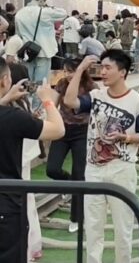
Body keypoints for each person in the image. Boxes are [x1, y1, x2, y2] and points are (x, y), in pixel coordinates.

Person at [63, 51, 139, 263]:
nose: (102, 72)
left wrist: (125, 137)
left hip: (122, 170)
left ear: (122, 72)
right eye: (101, 67)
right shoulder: (96, 96)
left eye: (108, 68)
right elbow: (69, 100)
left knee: (123, 227)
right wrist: (80, 69)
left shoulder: (138, 103)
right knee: (93, 226)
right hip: (94, 169)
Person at [0, 57, 65, 263]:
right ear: (5, 80)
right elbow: (58, 130)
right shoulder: (13, 117)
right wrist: (47, 99)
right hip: (6, 204)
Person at [47, 59, 94, 233]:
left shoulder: (91, 87)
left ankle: (76, 218)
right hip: (62, 130)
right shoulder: (62, 83)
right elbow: (53, 103)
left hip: (82, 132)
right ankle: (67, 184)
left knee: (79, 176)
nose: (67, 75)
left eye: (71, 71)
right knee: (52, 169)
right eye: (65, 71)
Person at [14, 0, 67, 83]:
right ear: (42, 0)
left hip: (27, 52)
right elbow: (63, 13)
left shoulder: (19, 13)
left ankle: (28, 92)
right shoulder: (44, 12)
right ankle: (37, 93)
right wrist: (49, 7)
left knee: (27, 80)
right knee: (41, 82)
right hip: (44, 51)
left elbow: (18, 33)